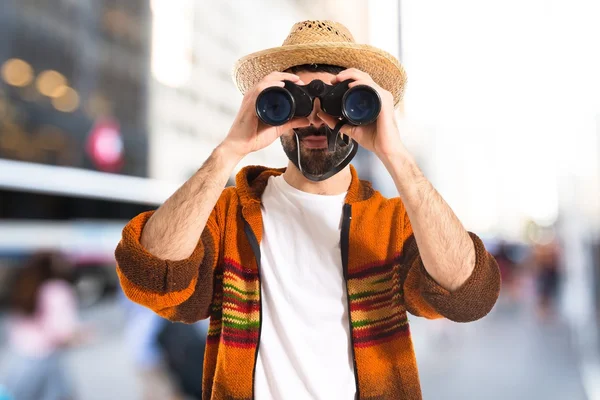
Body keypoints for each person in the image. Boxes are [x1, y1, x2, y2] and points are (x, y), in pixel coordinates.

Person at [115, 20, 501, 400]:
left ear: (363, 107)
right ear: (270, 106)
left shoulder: (391, 222)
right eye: (295, 101)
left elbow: (468, 296)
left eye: (338, 99)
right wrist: (229, 149)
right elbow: (151, 277)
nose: (317, 118)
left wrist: (396, 155)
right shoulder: (228, 215)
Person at [2, 251, 82, 400]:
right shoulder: (57, 290)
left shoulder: (24, 285)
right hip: (47, 361)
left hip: (20, 360)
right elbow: (63, 332)